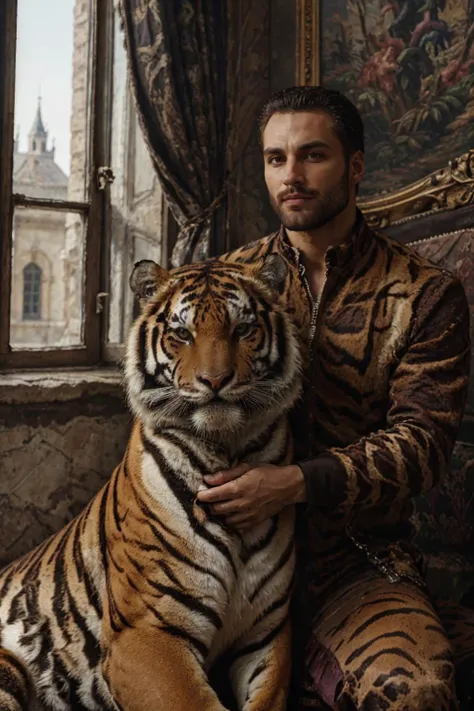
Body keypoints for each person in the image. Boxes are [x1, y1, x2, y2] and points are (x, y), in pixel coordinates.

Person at [197, 86, 472, 710]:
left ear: (355, 166)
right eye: (274, 159)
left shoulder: (424, 292)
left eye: (311, 155)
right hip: (229, 558)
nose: (289, 176)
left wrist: (291, 483)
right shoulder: (229, 281)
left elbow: (422, 447)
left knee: (417, 695)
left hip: (355, 562)